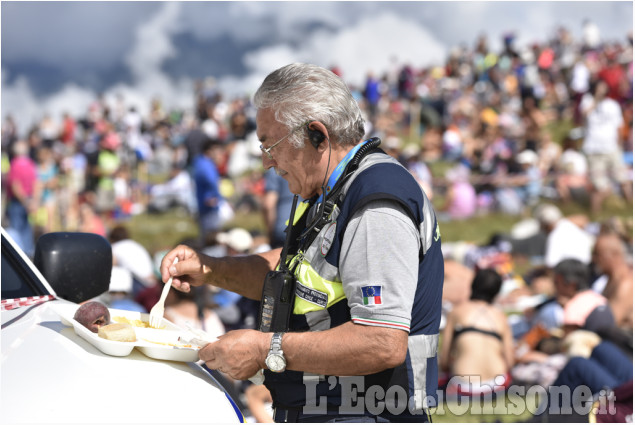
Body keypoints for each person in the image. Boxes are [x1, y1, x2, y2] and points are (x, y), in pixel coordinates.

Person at [161, 63, 444, 422]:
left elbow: (381, 341)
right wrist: (211, 269)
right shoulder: (333, 191)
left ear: (317, 135)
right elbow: (293, 271)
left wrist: (265, 349)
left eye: (271, 145)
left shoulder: (375, 204)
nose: (267, 162)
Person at [439, 268, 514, 396]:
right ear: (497, 291)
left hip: (463, 385)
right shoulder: (501, 317)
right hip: (497, 384)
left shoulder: (456, 312)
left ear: (473, 285)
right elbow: (510, 363)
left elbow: (444, 361)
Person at [579, 79, 631, 214]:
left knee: (623, 181)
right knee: (600, 187)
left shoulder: (613, 105)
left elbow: (619, 126)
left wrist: (619, 145)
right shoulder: (587, 101)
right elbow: (584, 115)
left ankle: (631, 209)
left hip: (611, 148)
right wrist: (596, 99)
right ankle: (595, 216)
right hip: (593, 150)